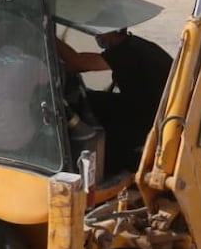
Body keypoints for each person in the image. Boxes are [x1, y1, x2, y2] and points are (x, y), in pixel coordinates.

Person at [57, 28, 173, 172]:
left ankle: (104, 166)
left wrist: (50, 38)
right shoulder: (135, 44)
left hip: (148, 119)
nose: (97, 36)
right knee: (91, 99)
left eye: (100, 32)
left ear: (113, 32)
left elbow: (78, 62)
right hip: (154, 108)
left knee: (83, 108)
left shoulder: (126, 53)